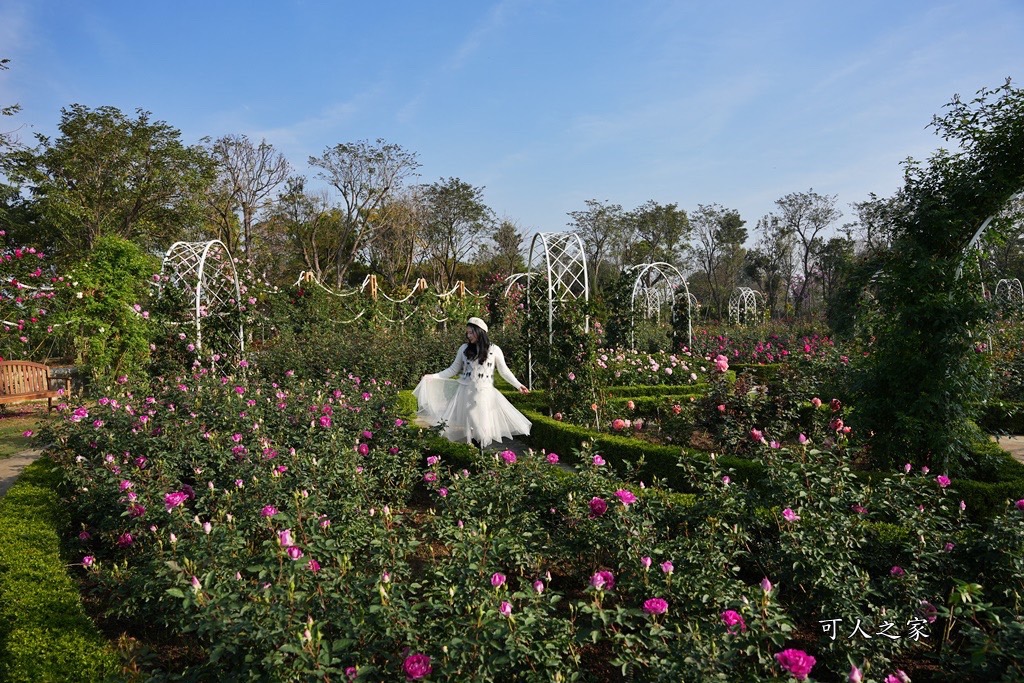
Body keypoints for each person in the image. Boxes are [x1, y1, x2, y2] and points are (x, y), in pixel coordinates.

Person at [413, 317, 531, 449]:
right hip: (466, 393)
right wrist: (433, 376)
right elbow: (453, 369)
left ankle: (480, 454)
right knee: (474, 426)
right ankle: (476, 453)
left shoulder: (494, 349)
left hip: (485, 394)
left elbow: (504, 371)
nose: (469, 336)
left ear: (480, 332)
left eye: (471, 332)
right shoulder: (464, 348)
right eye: (467, 333)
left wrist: (518, 385)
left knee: (483, 429)